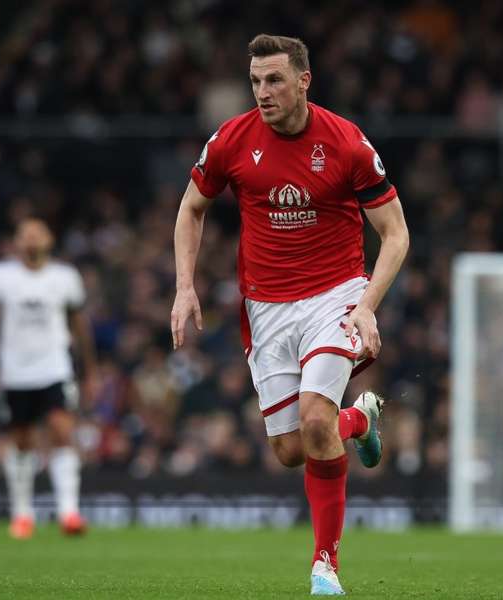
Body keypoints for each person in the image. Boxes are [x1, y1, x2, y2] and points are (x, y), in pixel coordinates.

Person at [171, 34, 409, 595]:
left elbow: (395, 235)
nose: (263, 92)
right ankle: (362, 419)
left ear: (304, 80)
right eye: (255, 81)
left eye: (274, 80)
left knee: (315, 419)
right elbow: (191, 208)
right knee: (289, 450)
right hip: (267, 309)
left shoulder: (346, 143)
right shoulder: (231, 139)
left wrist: (368, 305)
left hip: (336, 297)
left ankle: (324, 565)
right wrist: (184, 287)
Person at [0, 219, 97, 539]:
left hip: (55, 367)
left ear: (49, 239)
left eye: (37, 233)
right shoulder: (1, 276)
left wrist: (90, 369)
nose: (31, 239)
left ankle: (69, 513)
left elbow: (80, 324)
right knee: (21, 439)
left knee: (61, 429)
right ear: (16, 241)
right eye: (25, 234)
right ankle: (22, 515)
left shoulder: (65, 277)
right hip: (15, 371)